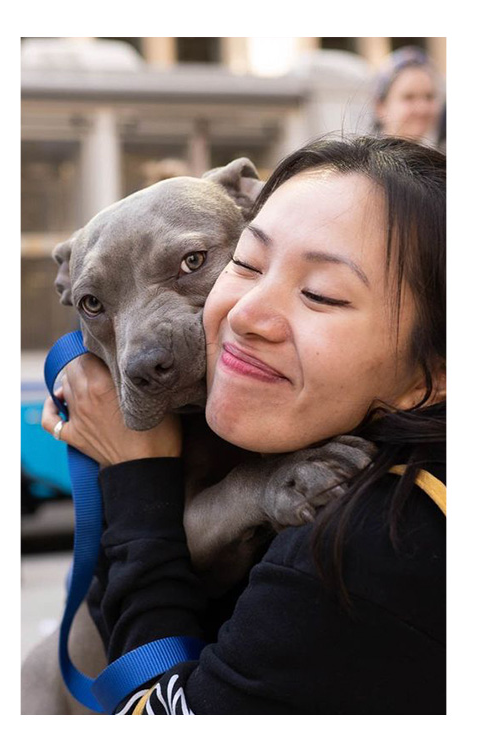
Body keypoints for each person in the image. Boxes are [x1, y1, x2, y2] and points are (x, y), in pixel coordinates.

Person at [43, 136, 445, 714]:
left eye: (320, 293)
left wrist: (138, 475)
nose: (141, 351)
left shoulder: (369, 550)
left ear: (437, 368)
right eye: (247, 265)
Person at [372, 46, 443, 147]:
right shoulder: (364, 161)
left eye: (429, 97)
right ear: (380, 106)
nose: (422, 109)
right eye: (409, 97)